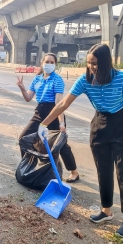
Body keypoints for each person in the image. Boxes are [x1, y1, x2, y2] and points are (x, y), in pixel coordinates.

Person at [38, 43, 123, 238]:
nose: (90, 67)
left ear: (104, 62)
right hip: (99, 125)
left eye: (94, 64)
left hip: (120, 125)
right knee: (103, 170)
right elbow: (64, 103)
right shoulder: (86, 80)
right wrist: (44, 124)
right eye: (88, 63)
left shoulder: (120, 78)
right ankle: (106, 211)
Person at [16, 53, 80, 183]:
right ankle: (29, 166)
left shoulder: (57, 80)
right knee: (24, 138)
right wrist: (22, 88)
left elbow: (59, 104)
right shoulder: (37, 79)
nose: (49, 64)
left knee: (61, 145)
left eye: (52, 62)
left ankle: (74, 172)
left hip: (54, 113)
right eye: (47, 62)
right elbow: (28, 98)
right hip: (39, 112)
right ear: (42, 63)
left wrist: (61, 123)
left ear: (55, 65)